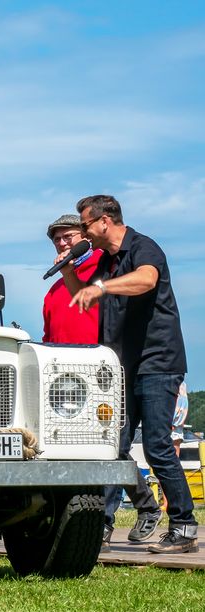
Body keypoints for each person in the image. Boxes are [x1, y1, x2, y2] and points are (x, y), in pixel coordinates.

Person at [64, 194, 197, 554]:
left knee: (156, 446)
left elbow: (147, 279)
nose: (83, 233)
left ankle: (184, 525)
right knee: (112, 447)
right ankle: (103, 526)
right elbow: (84, 298)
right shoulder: (107, 261)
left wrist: (103, 286)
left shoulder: (142, 247)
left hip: (158, 362)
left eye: (86, 225)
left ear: (105, 220)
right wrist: (68, 271)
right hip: (124, 368)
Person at [42, 215, 102, 344]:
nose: (62, 243)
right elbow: (48, 336)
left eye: (68, 236)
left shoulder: (106, 269)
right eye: (57, 239)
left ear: (86, 236)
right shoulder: (54, 289)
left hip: (102, 359)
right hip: (61, 361)